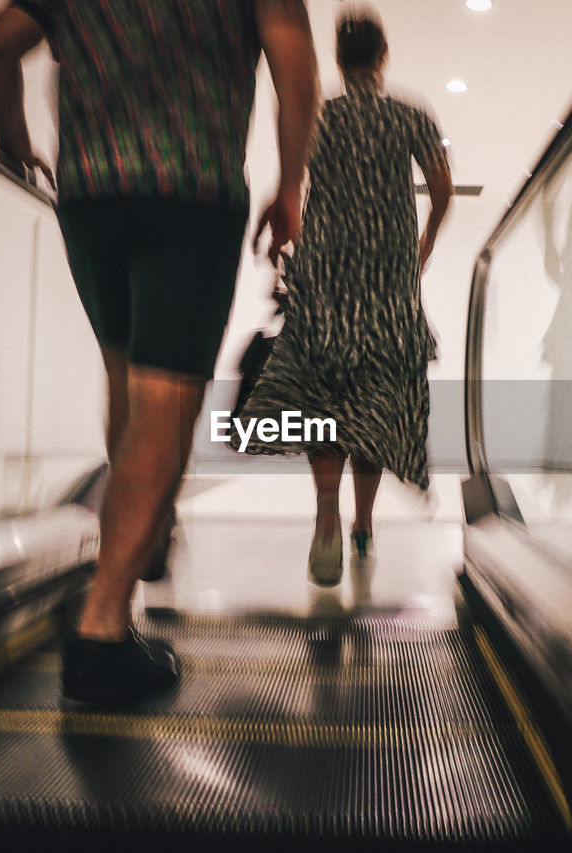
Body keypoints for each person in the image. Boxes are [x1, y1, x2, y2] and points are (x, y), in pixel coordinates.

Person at [0, 0, 318, 705]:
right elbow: (294, 66)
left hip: (92, 193)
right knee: (167, 398)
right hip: (189, 188)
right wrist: (289, 187)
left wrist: (13, 144)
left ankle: (145, 538)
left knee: (125, 379)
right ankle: (102, 629)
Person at [238, 10, 452, 586]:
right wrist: (423, 245)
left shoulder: (320, 116)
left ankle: (326, 513)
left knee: (326, 394)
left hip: (327, 271)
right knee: (376, 394)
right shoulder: (409, 113)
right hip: (387, 277)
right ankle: (362, 524)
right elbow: (442, 190)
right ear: (382, 56)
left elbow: (295, 185)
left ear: (337, 58)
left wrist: (300, 249)